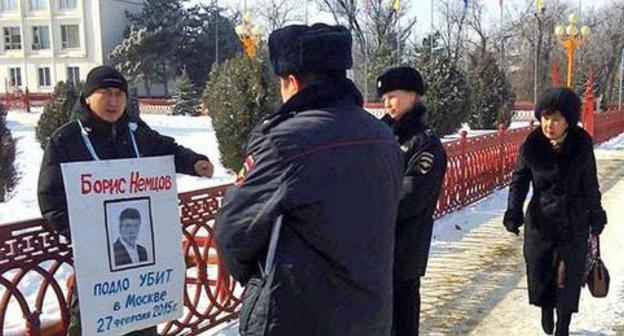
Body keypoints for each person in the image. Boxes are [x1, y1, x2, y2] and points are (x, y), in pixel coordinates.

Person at [215, 23, 404, 335]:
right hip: (370, 314)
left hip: (299, 316)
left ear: (291, 82)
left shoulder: (284, 143)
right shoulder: (382, 136)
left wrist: (260, 282)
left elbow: (233, 232)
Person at [37, 65, 214, 336]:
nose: (113, 101)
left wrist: (194, 162)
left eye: (119, 94)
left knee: (141, 327)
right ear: (87, 97)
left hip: (141, 278)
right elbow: (51, 199)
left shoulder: (135, 131)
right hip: (96, 270)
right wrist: (83, 236)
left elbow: (166, 149)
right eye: (105, 93)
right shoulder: (66, 140)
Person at [504, 87, 607, 336]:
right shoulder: (532, 144)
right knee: (541, 271)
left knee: (569, 275)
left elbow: (590, 182)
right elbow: (519, 180)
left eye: (556, 119)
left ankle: (564, 325)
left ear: (568, 121)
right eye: (545, 118)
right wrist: (513, 211)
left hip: (574, 218)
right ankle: (546, 307)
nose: (549, 124)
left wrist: (596, 213)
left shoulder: (581, 143)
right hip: (541, 219)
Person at [376, 66, 448, 336]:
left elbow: (410, 195)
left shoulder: (425, 143)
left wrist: (368, 207)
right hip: (372, 247)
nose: (387, 104)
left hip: (405, 248)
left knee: (402, 319)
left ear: (412, 95)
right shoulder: (380, 135)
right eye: (383, 99)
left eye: (392, 96)